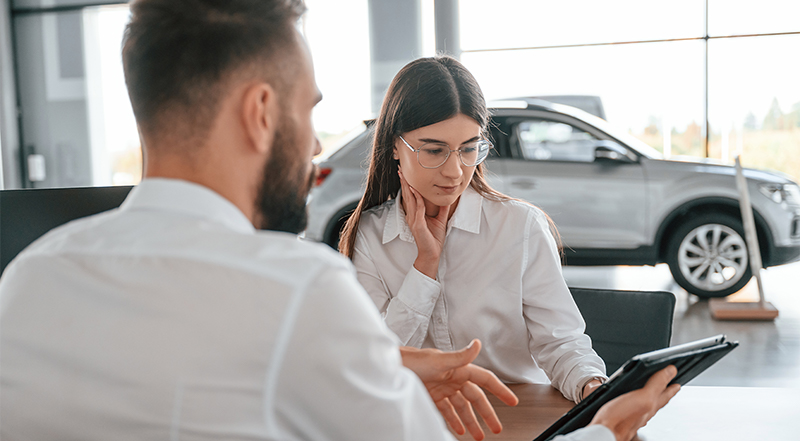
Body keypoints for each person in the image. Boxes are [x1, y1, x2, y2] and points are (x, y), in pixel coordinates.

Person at [0, 1, 678, 441]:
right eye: (308, 111)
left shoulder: (28, 281)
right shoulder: (295, 289)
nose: (318, 145)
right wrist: (606, 427)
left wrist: (382, 356)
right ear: (261, 112)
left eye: (468, 147)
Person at [339, 56, 606, 403]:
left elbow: (560, 342)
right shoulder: (371, 237)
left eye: (468, 149)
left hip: (511, 416)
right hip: (420, 420)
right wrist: (425, 266)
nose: (454, 171)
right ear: (394, 146)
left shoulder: (520, 227)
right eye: (434, 150)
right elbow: (376, 361)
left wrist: (593, 387)